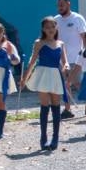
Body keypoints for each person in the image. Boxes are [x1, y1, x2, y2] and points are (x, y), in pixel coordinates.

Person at [20, 17, 69, 151]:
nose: (50, 30)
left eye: (52, 27)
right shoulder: (39, 43)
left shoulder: (61, 44)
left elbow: (65, 61)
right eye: (47, 27)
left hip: (55, 75)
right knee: (44, 105)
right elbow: (32, 61)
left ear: (56, 27)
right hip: (42, 74)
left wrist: (66, 67)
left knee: (56, 105)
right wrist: (25, 78)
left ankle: (55, 138)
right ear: (43, 29)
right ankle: (43, 137)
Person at [54, 0, 86, 118]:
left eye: (62, 4)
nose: (60, 7)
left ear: (68, 3)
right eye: (58, 5)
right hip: (61, 59)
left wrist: (84, 54)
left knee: (78, 83)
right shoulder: (56, 20)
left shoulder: (77, 18)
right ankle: (67, 109)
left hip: (76, 58)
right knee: (64, 84)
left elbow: (84, 37)